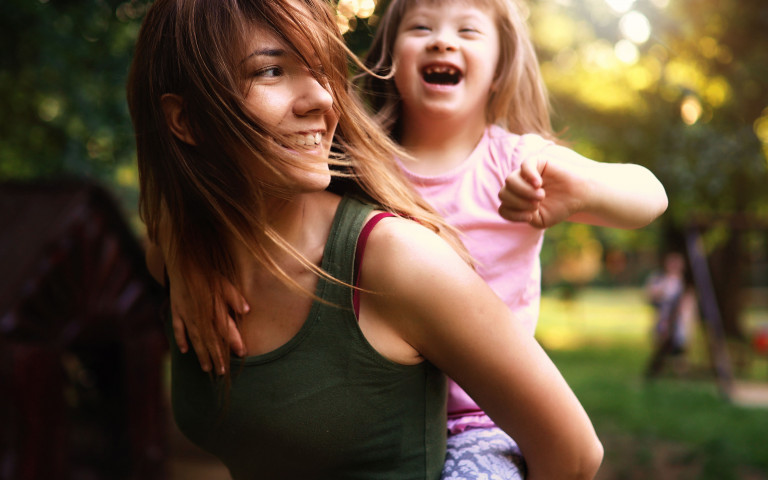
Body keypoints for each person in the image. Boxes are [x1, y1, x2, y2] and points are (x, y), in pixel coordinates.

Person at [129, 0, 603, 478]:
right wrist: (181, 247)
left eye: (320, 69)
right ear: (184, 121)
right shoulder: (183, 257)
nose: (323, 99)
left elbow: (575, 455)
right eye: (272, 71)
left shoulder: (396, 261)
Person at [355, 0, 668, 477]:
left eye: (467, 30)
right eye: (421, 26)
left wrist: (580, 189)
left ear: (500, 69)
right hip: (373, 416)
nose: (443, 39)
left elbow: (651, 196)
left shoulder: (521, 162)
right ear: (390, 58)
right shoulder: (360, 165)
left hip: (482, 422)